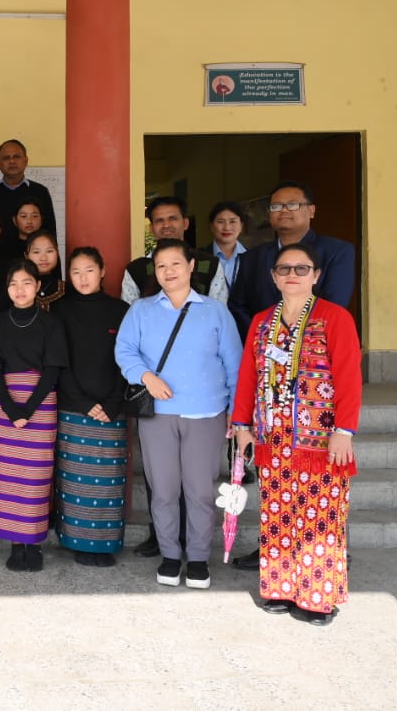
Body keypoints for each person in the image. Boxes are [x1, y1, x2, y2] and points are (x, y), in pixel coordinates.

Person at [231, 243, 361, 626]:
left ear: (316, 276)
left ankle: (318, 597)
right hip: (273, 438)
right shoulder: (261, 322)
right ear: (273, 276)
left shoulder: (334, 318)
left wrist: (345, 431)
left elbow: (350, 377)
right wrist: (241, 426)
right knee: (279, 516)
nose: (292, 275)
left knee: (320, 517)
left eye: (302, 269)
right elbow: (248, 377)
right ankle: (281, 588)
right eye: (284, 268)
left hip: (321, 441)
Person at [114, 238, 242, 590]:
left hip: (207, 412)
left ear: (190, 267)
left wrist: (236, 411)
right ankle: (170, 555)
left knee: (200, 489)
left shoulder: (215, 311)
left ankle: (199, 558)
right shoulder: (141, 310)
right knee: (164, 488)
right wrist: (146, 377)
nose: (168, 271)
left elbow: (235, 363)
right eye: (161, 266)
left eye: (175, 264)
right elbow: (124, 350)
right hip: (158, 414)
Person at [0, 259, 68, 571]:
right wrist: (11, 408)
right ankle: (16, 545)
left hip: (40, 406)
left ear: (38, 286)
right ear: (8, 288)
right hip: (6, 405)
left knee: (35, 478)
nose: (20, 290)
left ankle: (33, 544)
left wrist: (28, 409)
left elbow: (53, 369)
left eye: (27, 283)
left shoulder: (51, 324)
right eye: (14, 284)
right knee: (8, 477)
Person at [52, 246, 130, 567]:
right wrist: (83, 403)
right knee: (75, 479)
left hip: (112, 409)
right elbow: (58, 361)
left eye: (88, 270)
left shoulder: (122, 310)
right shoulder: (58, 311)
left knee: (108, 479)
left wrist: (112, 402)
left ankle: (105, 543)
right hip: (73, 407)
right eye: (75, 272)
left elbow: (128, 360)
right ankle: (76, 540)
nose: (82, 278)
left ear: (102, 272)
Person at [229, 180, 356, 341]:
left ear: (311, 211)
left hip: (316, 348)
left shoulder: (337, 251)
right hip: (263, 349)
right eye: (276, 206)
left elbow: (335, 303)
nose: (284, 211)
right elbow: (238, 305)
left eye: (293, 205)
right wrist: (265, 336)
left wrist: (293, 339)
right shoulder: (252, 257)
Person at [121, 197, 228, 305]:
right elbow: (130, 314)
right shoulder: (135, 269)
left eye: (172, 219)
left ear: (185, 223)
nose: (166, 225)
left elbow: (218, 311)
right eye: (159, 220)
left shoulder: (210, 264)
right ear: (151, 229)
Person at [0, 139, 57, 255]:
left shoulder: (40, 192)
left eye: (16, 157)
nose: (12, 161)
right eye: (6, 158)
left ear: (26, 161)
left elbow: (50, 232)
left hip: (33, 260)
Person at [208, 200, 248, 292]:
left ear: (241, 225)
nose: (227, 227)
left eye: (232, 221)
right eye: (221, 222)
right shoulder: (199, 257)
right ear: (211, 226)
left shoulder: (253, 258)